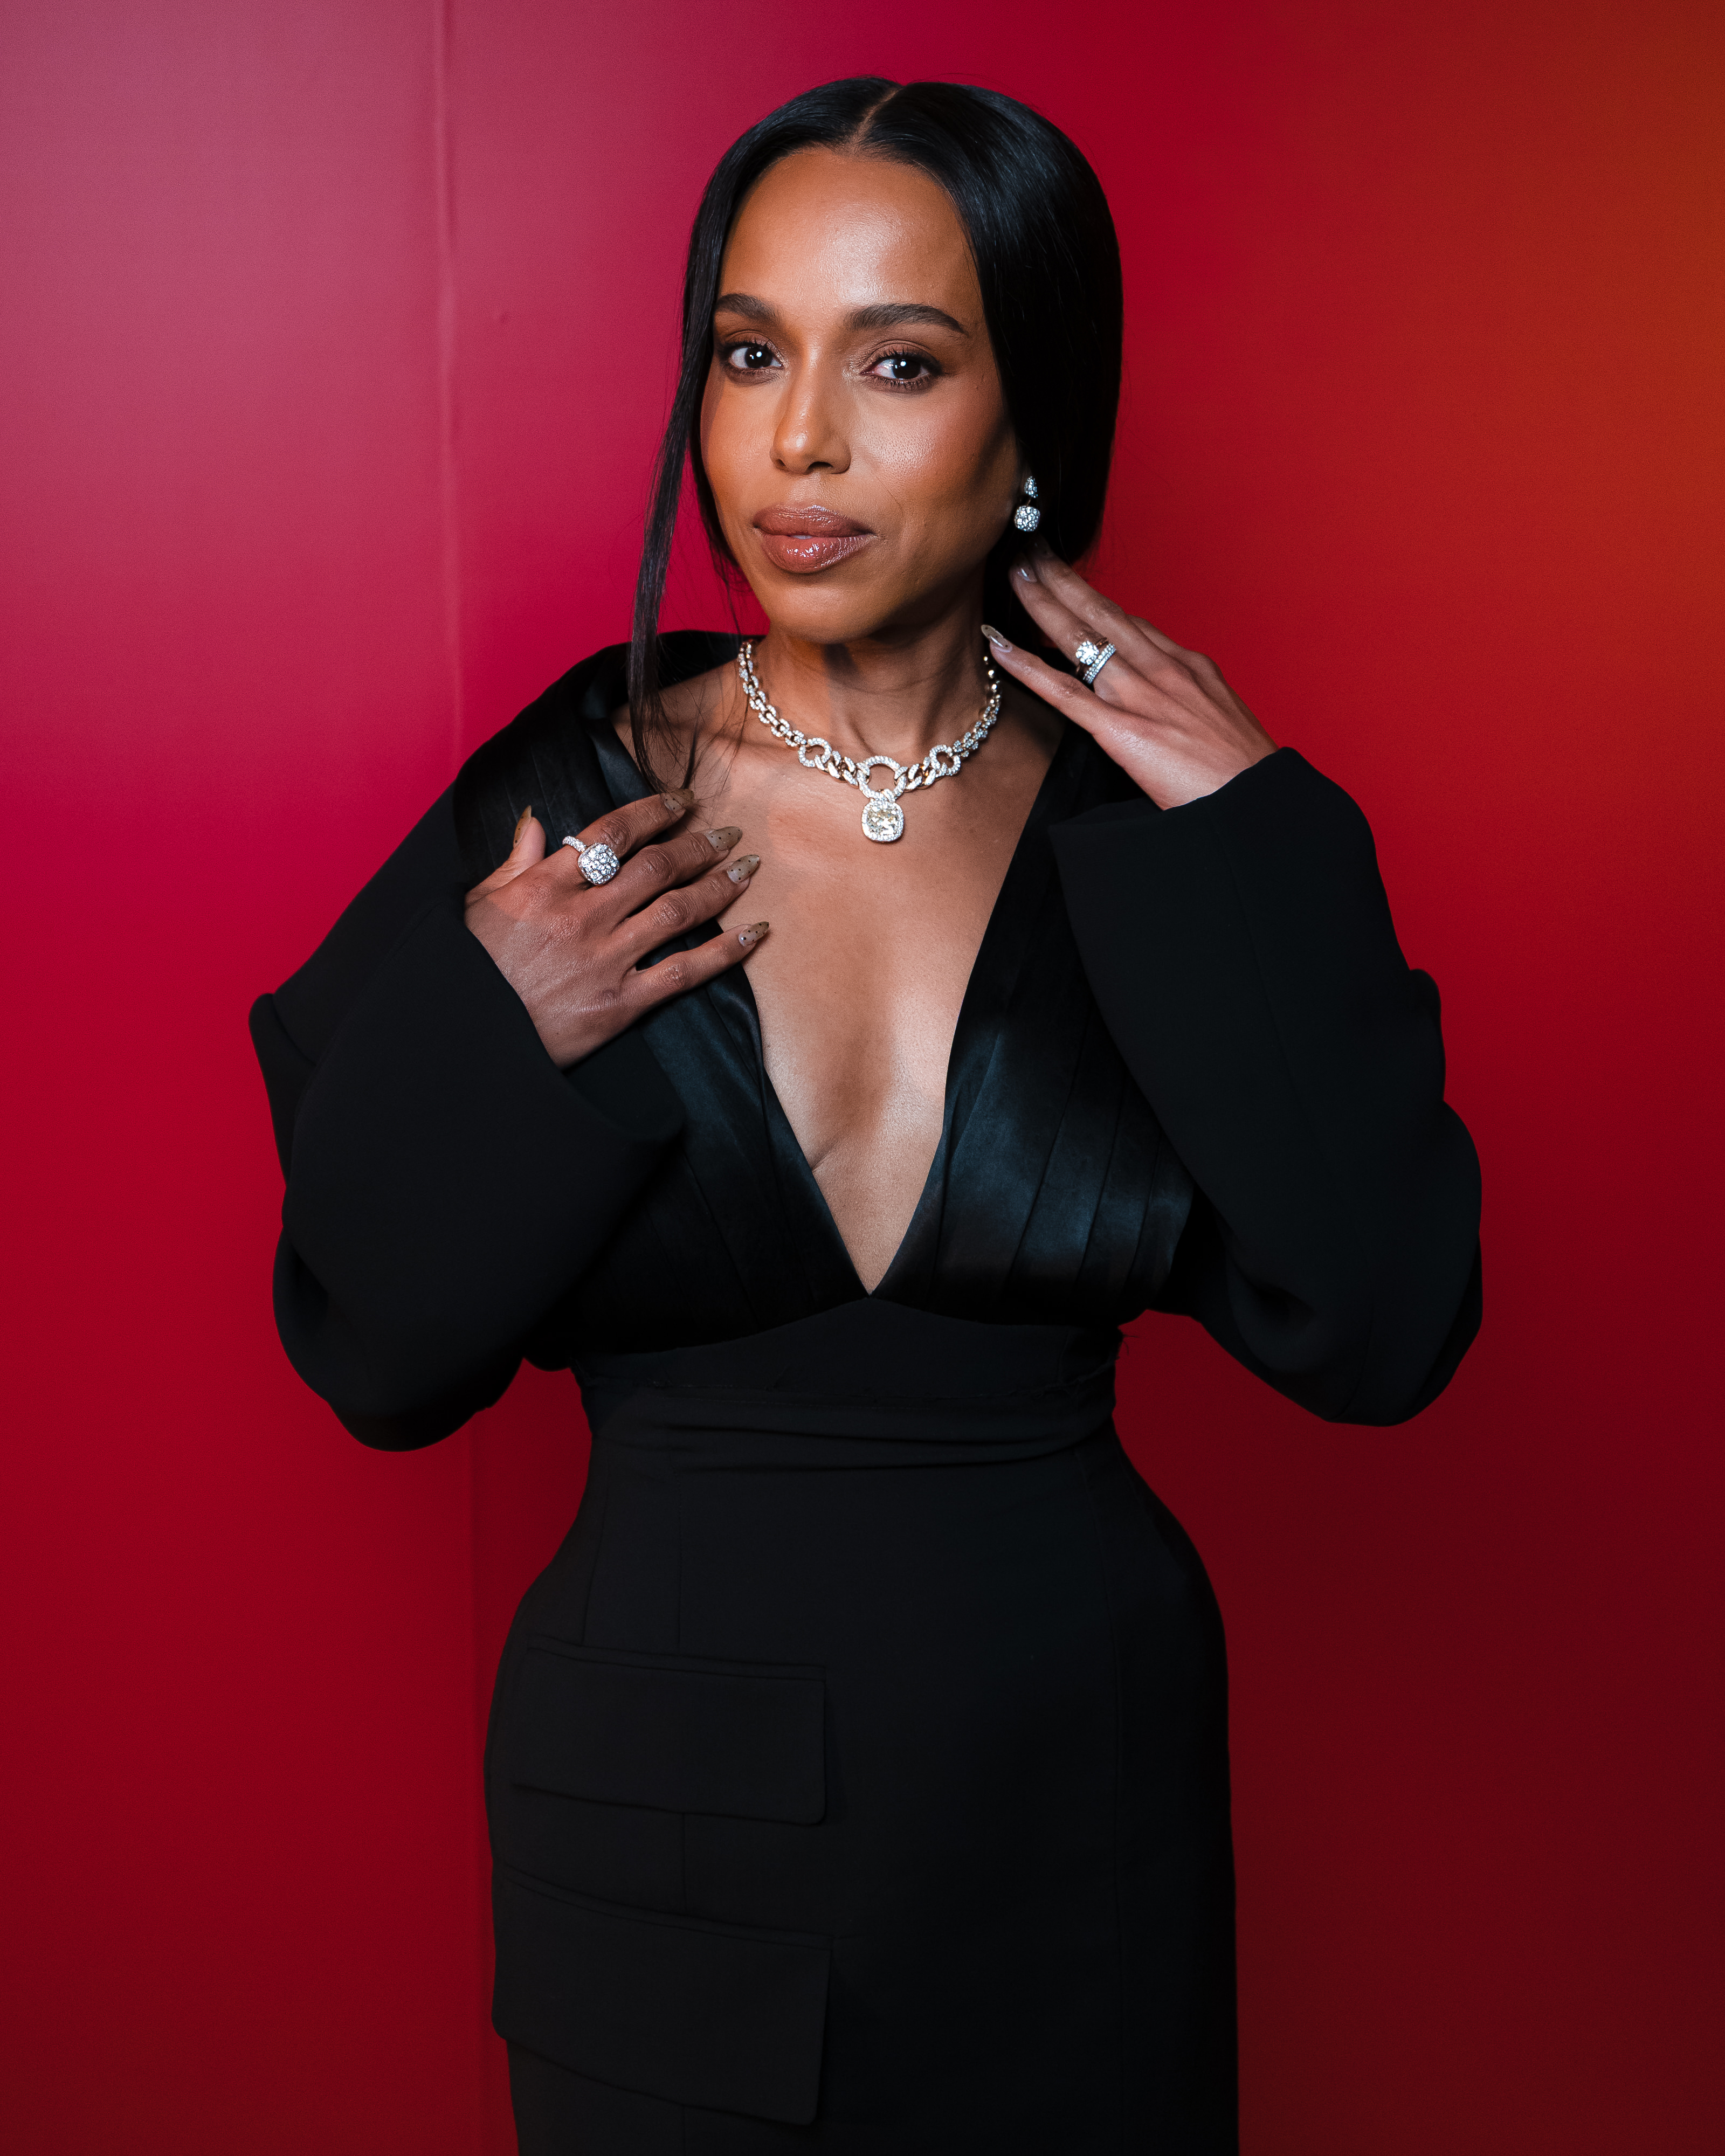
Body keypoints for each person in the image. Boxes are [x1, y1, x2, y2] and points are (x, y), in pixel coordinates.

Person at [251, 77, 1481, 2156]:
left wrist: (1263, 844)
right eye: (747, 354)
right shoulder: (577, 798)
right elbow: (367, 1350)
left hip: (1075, 1814)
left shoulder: (1161, 832)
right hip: (657, 1824)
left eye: (897, 362)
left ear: (1031, 427)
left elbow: (1381, 1335)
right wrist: (494, 1025)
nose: (796, 442)